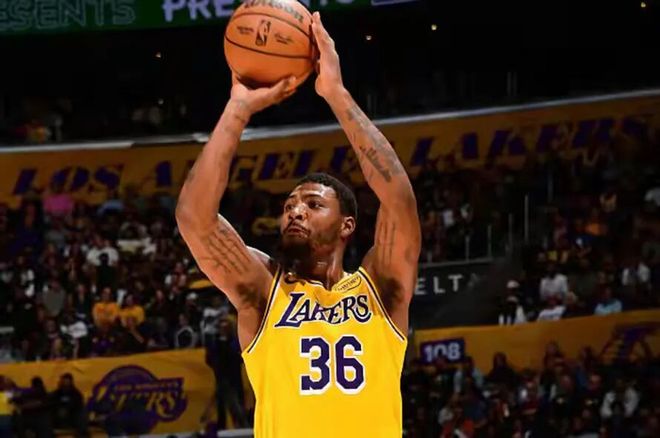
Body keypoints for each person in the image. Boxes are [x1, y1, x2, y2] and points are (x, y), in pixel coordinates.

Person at [176, 12, 421, 438]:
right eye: (289, 204)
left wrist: (336, 94)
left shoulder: (381, 287)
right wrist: (237, 109)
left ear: (347, 225)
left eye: (313, 204)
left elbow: (398, 199)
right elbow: (194, 220)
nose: (295, 211)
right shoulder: (263, 290)